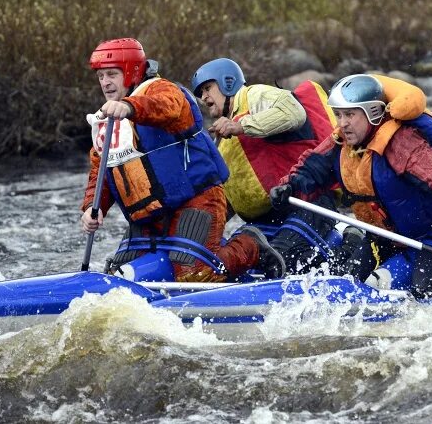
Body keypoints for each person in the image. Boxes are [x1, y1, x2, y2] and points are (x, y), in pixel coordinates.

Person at [80, 38, 285, 282]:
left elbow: (172, 107)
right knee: (116, 278)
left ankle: (251, 245)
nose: (105, 82)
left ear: (132, 71)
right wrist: (92, 209)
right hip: (150, 215)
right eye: (101, 76)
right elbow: (101, 169)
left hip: (195, 200)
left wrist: (130, 106)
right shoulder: (108, 118)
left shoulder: (161, 90)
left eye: (112, 74)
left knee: (195, 275)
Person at [269, 74, 432, 298]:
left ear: (372, 113)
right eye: (339, 115)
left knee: (424, 290)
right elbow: (312, 169)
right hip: (385, 238)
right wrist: (289, 187)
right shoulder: (342, 141)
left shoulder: (402, 143)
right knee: (344, 283)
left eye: (350, 114)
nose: (343, 123)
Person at [191, 58, 350, 273]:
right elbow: (231, 196)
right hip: (268, 218)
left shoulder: (254, 95)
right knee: (231, 264)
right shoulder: (223, 135)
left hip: (306, 202)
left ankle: (348, 246)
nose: (203, 97)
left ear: (227, 82)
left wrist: (240, 126)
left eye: (207, 88)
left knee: (279, 262)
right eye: (200, 93)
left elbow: (294, 112)